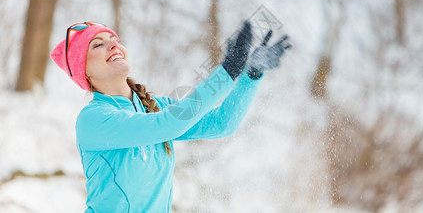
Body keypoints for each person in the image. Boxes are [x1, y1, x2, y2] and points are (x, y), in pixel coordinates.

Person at [50, 21, 290, 212]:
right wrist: (227, 71)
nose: (113, 46)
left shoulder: (154, 106)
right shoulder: (94, 119)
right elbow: (169, 124)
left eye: (115, 40)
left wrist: (251, 74)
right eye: (98, 45)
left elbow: (222, 123)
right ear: (85, 72)